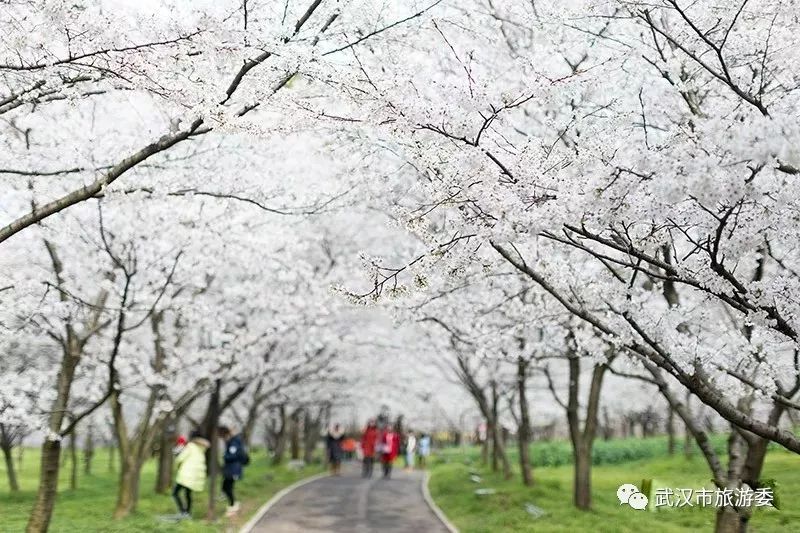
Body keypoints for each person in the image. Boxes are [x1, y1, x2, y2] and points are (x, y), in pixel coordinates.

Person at [173, 430, 209, 519]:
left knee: (175, 493)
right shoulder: (202, 448)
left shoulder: (191, 446)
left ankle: (183, 512)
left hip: (187, 474)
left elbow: (180, 458)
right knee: (188, 494)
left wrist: (176, 462)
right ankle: (188, 513)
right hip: (195, 475)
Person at [219, 425, 249, 517]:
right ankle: (233, 504)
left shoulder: (234, 442)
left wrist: (225, 456)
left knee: (228, 488)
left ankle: (233, 506)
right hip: (231, 469)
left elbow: (232, 455)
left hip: (233, 469)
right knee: (225, 487)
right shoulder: (233, 441)